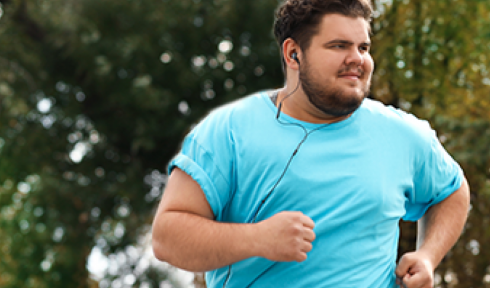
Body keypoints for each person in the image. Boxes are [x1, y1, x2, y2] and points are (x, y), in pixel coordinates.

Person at [151, 0, 470, 287]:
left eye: (363, 47)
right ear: (293, 54)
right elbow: (167, 238)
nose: (357, 59)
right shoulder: (228, 131)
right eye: (339, 46)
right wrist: (256, 239)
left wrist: (428, 256)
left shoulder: (403, 134)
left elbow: (453, 191)